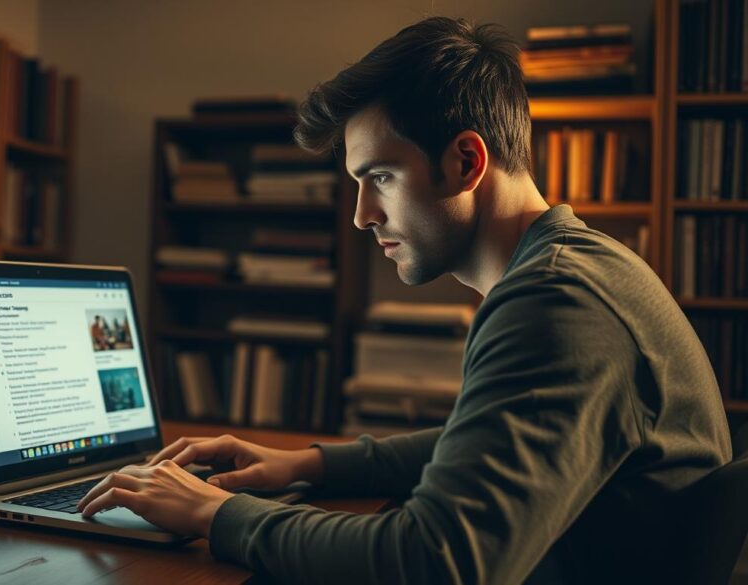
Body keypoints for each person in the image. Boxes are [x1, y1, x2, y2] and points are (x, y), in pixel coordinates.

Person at [76, 17, 732, 584]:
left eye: (380, 178)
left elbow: (434, 562)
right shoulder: (574, 269)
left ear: (466, 162)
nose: (363, 215)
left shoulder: (557, 304)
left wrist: (214, 512)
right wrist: (306, 463)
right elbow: (476, 443)